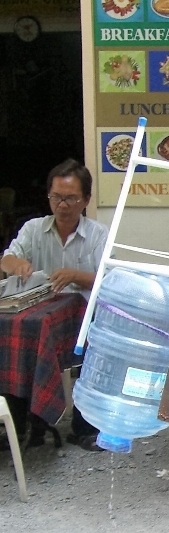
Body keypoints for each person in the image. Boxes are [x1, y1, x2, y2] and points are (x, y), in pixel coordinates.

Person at [1, 158, 108, 451]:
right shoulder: (33, 229)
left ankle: (83, 427)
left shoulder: (98, 234)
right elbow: (7, 257)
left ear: (85, 200)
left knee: (96, 346)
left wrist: (75, 276)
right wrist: (17, 265)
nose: (63, 205)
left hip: (82, 316)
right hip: (40, 314)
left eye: (71, 198)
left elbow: (107, 280)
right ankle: (21, 424)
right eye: (56, 197)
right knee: (13, 344)